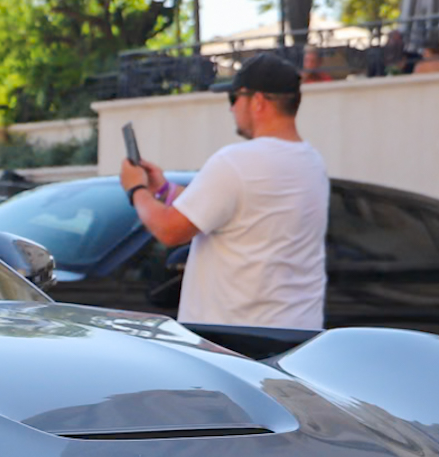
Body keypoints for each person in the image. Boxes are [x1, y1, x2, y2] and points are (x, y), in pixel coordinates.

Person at [116, 54, 329, 332]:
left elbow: (170, 231)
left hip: (233, 341)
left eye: (233, 98)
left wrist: (136, 188)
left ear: (258, 101)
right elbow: (233, 214)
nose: (231, 110)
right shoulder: (312, 163)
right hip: (295, 335)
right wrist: (164, 190)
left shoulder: (236, 162)